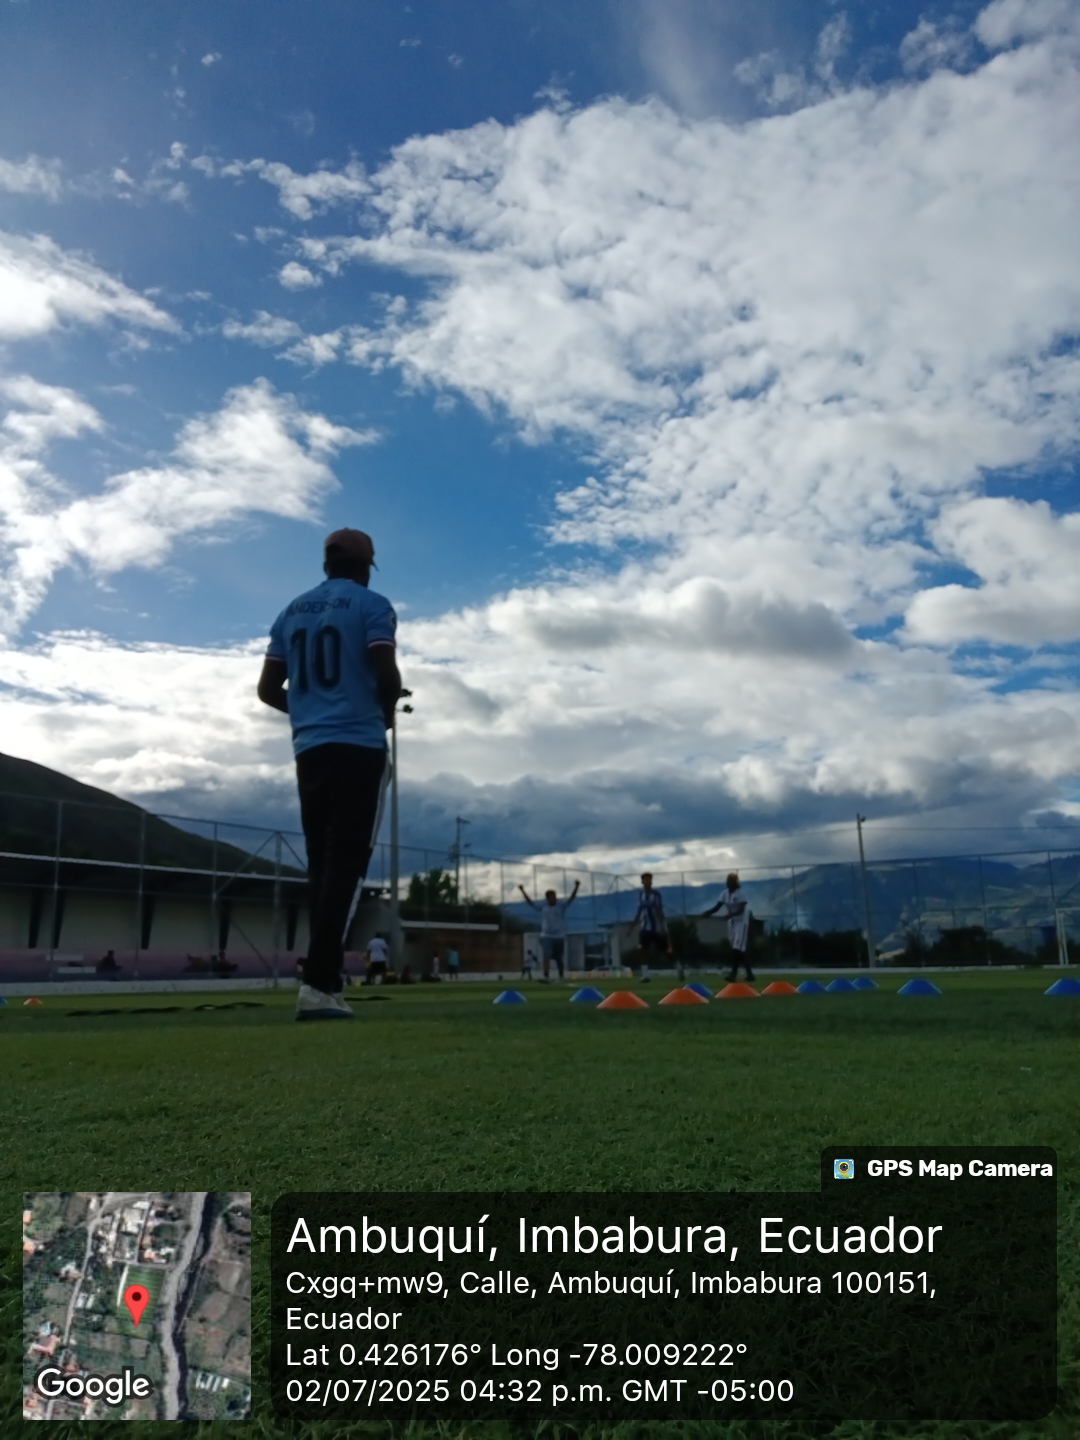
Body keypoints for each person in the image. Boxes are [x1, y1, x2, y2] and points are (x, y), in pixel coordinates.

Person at [258, 527, 401, 1021]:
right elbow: (386, 672)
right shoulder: (372, 605)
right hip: (358, 744)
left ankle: (322, 980)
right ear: (365, 566)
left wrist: (308, 711)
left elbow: (267, 689)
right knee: (348, 863)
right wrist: (382, 711)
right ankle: (319, 983)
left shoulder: (290, 611)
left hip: (310, 748)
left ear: (326, 564)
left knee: (320, 863)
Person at [519, 879, 580, 981]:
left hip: (559, 935)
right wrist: (523, 891)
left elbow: (571, 899)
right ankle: (546, 975)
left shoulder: (560, 905)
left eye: (554, 896)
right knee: (546, 956)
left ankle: (561, 976)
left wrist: (576, 887)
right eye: (551, 897)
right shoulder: (543, 905)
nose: (554, 898)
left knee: (558, 957)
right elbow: (530, 903)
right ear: (547, 898)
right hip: (546, 935)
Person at [701, 872, 754, 982]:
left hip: (741, 923)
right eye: (728, 881)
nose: (729, 883)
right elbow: (717, 907)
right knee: (740, 950)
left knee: (737, 948)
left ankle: (733, 974)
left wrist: (730, 915)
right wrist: (707, 913)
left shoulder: (741, 893)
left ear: (735, 882)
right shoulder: (724, 893)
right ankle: (750, 974)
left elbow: (741, 910)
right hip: (732, 923)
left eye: (731, 881)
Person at [625, 873, 667, 981]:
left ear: (651, 881)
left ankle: (677, 964)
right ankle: (645, 974)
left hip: (656, 928)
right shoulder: (641, 895)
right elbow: (639, 912)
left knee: (663, 950)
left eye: (649, 880)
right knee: (643, 950)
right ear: (642, 881)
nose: (647, 882)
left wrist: (662, 926)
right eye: (645, 880)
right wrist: (631, 928)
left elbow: (659, 911)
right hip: (645, 928)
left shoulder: (656, 895)